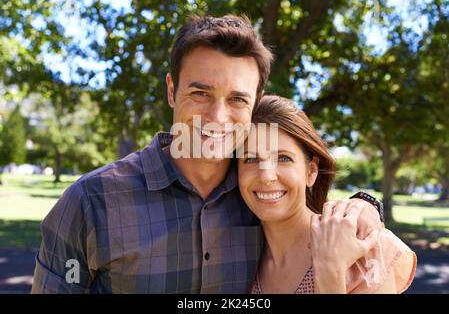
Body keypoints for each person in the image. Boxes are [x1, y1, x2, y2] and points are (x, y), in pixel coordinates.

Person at [31, 15, 383, 294]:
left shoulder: (258, 189)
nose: (217, 117)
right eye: (200, 93)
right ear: (172, 90)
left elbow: (308, 202)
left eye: (237, 99)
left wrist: (366, 203)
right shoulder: (91, 201)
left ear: (254, 105)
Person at [237, 95, 416, 294]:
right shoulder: (236, 260)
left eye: (283, 158)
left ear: (311, 171)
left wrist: (330, 271)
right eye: (251, 159)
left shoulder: (363, 248)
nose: (266, 176)